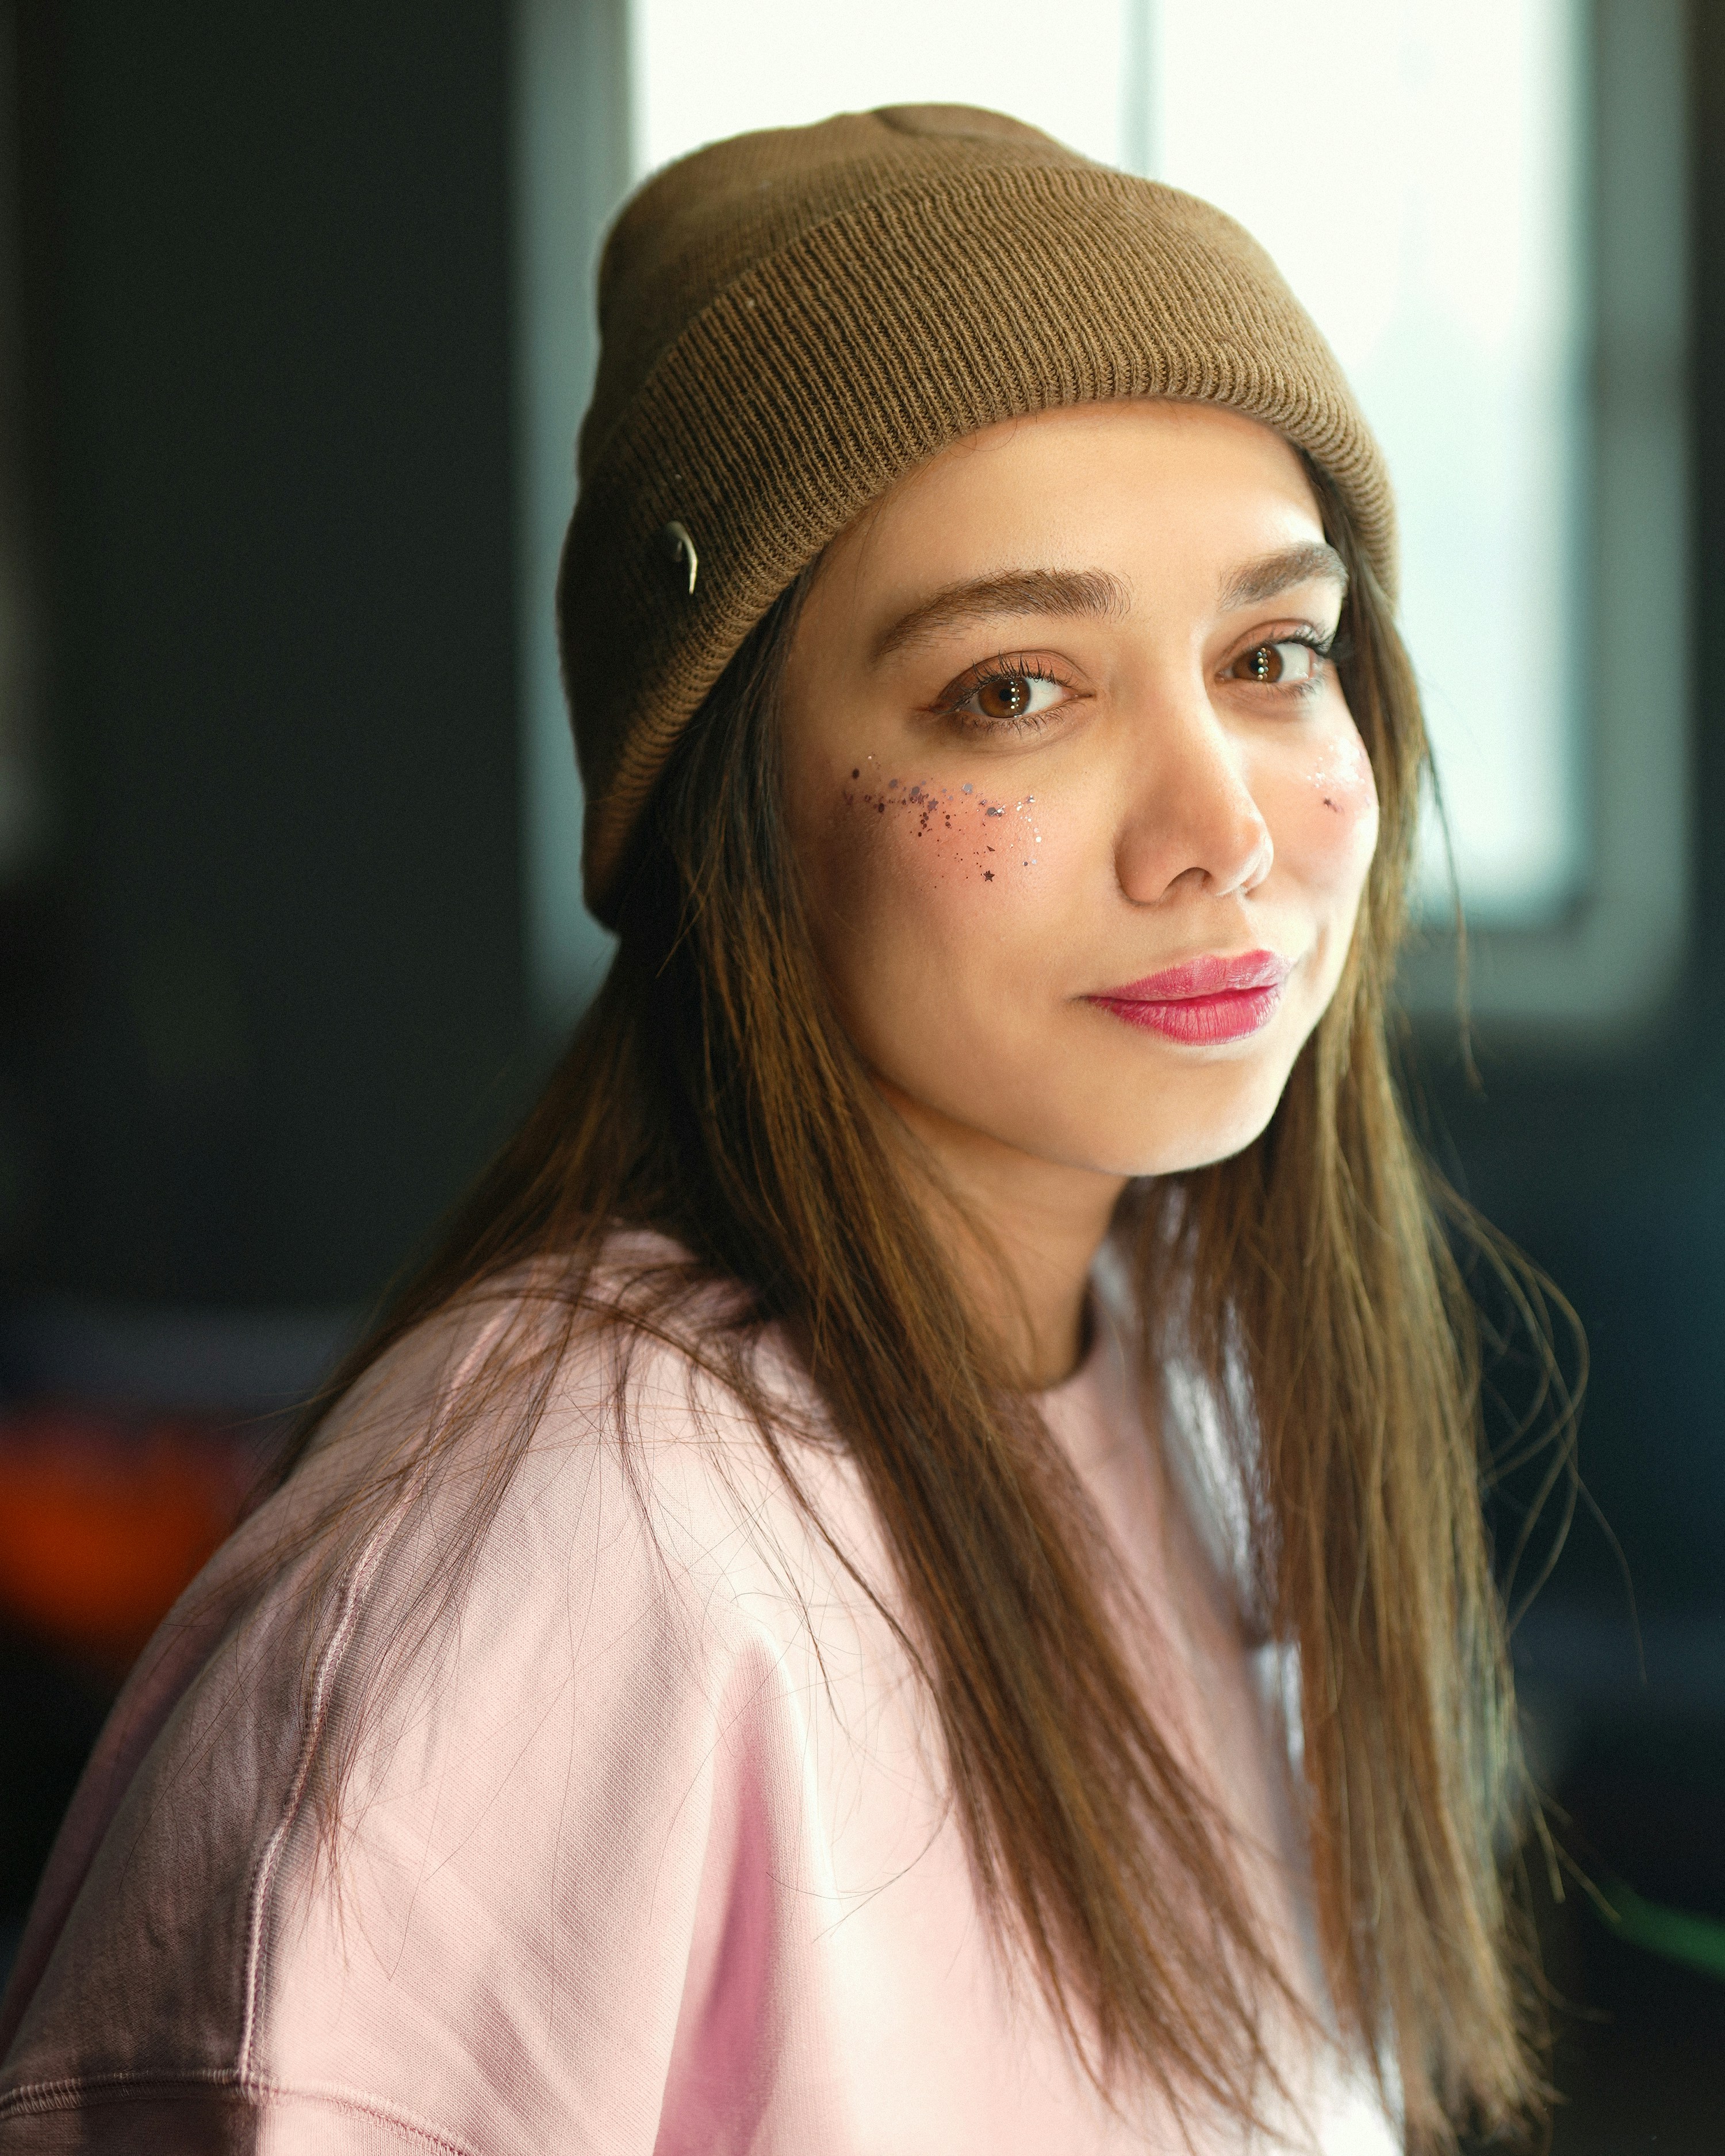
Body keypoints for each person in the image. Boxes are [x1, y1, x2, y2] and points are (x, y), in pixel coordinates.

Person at [0, 106, 1543, 2153]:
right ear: (734, 809)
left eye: (1273, 655)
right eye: (1014, 691)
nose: (1226, 832)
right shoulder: (573, 1563)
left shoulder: (1194, 1369)